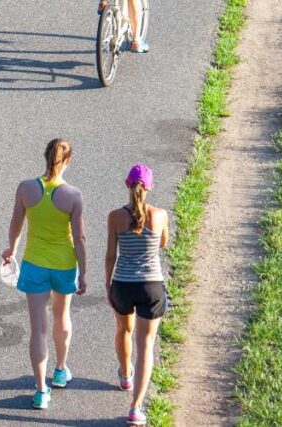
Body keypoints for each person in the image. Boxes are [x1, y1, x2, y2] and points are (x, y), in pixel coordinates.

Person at [1, 139, 88, 410]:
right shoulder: (73, 195)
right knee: (62, 316)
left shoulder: (26, 188)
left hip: (34, 263)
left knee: (38, 329)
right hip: (64, 264)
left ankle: (41, 391)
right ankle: (61, 370)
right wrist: (83, 273)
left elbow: (16, 224)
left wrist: (11, 251)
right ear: (68, 161)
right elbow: (80, 237)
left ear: (45, 157)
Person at [105, 164, 169, 426]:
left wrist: (108, 286)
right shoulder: (161, 215)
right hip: (151, 286)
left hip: (122, 283)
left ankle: (125, 374)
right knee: (146, 344)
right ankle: (136, 407)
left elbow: (111, 255)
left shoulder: (115, 217)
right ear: (150, 187)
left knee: (123, 330)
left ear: (127, 184)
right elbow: (163, 243)